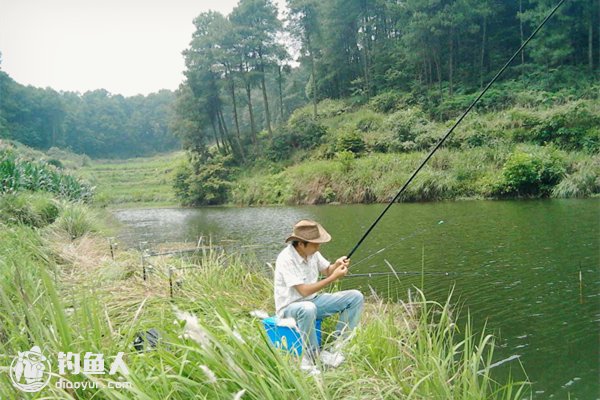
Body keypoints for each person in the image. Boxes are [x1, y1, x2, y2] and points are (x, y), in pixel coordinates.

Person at [274, 219, 364, 373]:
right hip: (289, 309)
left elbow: (327, 270)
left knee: (355, 297)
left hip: (313, 302)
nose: (319, 246)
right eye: (315, 243)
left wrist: (336, 265)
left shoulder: (312, 252)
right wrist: (333, 278)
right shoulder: (286, 259)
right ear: (301, 244)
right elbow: (303, 291)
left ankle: (337, 348)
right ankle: (311, 358)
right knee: (307, 308)